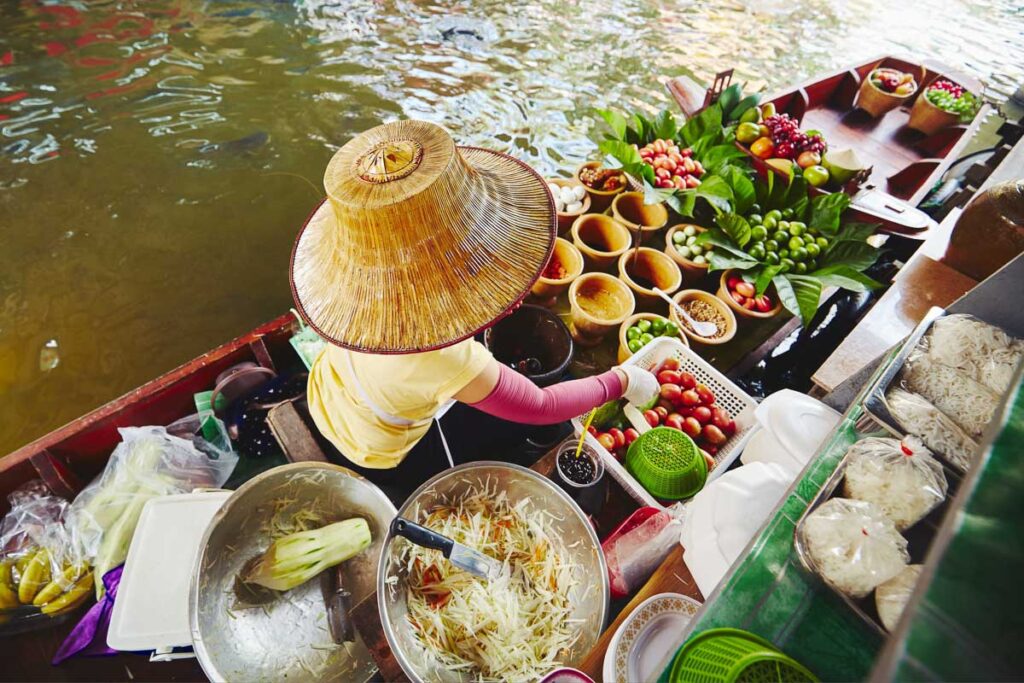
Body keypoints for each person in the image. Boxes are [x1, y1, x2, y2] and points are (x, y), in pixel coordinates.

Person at [289, 120, 656, 494]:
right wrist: (622, 381)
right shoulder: (442, 356)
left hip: (328, 395)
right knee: (527, 424)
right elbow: (542, 404)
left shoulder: (358, 289)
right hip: (373, 450)